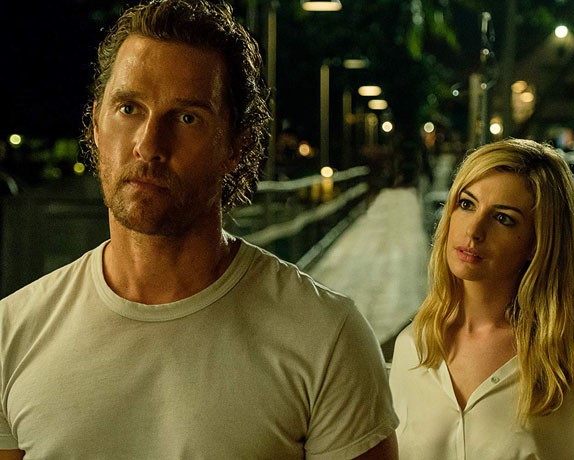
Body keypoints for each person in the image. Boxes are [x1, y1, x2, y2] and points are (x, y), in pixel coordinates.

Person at [0, 1, 398, 458]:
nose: (149, 145)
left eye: (187, 117)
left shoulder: (327, 337)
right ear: (95, 125)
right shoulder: (12, 334)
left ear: (235, 146)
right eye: (129, 108)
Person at [389, 138, 574, 459]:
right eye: (467, 204)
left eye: (503, 218)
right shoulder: (414, 346)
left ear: (538, 242)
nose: (474, 231)